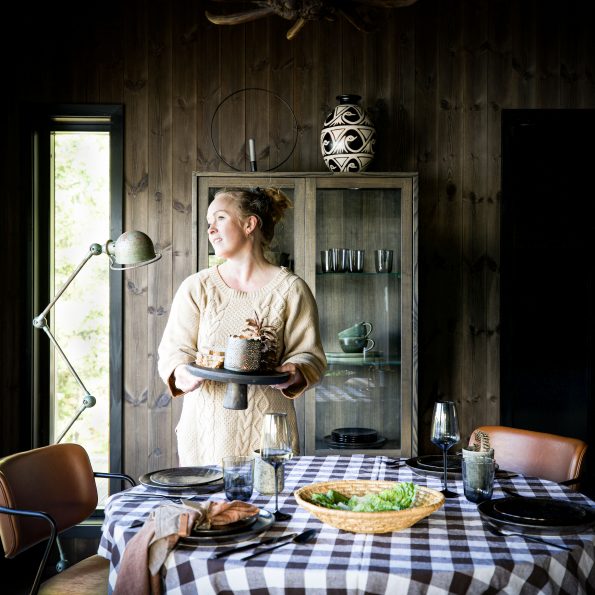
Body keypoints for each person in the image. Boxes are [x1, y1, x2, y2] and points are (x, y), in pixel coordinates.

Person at [158, 186, 327, 466]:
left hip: (270, 437)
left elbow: (310, 356)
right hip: (205, 434)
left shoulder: (291, 289)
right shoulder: (197, 287)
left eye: (220, 218)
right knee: (211, 510)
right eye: (209, 222)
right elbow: (174, 350)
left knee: (270, 507)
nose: (210, 229)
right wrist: (181, 372)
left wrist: (296, 372)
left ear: (250, 224)